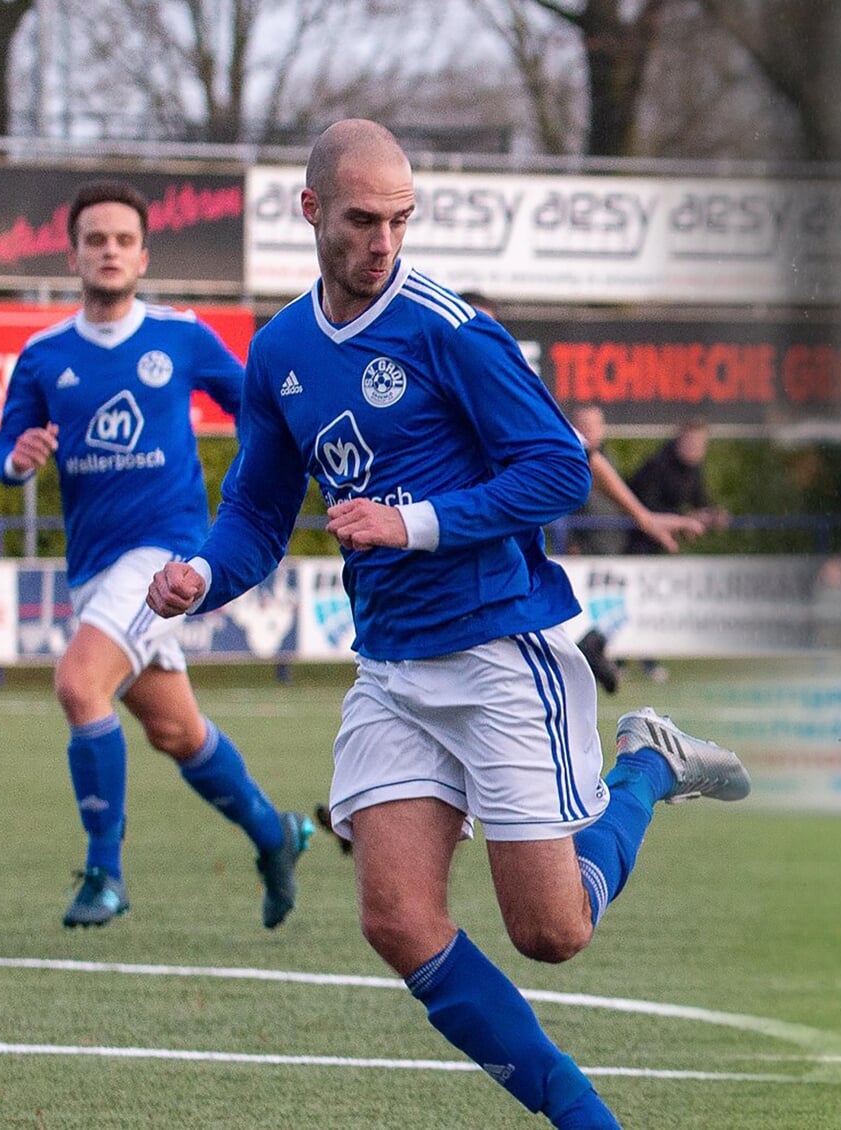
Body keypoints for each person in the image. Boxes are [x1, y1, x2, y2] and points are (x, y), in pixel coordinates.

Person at [145, 120, 750, 1130]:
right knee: (396, 917)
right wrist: (200, 575)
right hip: (390, 665)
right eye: (361, 220)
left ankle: (646, 762)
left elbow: (557, 466)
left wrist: (412, 522)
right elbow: (256, 511)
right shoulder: (282, 351)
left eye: (399, 219)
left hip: (500, 645)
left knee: (551, 932)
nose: (383, 240)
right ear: (311, 212)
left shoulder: (449, 328)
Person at [0, 179, 313, 930]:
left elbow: (257, 410)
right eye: (95, 239)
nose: (109, 251)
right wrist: (16, 460)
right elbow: (7, 446)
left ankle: (106, 874)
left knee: (78, 685)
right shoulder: (43, 356)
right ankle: (278, 834)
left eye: (122, 240)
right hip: (94, 569)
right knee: (176, 731)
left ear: (144, 253)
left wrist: (254, 492)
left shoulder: (182, 335)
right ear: (72, 255)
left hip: (163, 557)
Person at [564, 404, 705, 692]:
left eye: (594, 424)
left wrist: (643, 517)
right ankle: (587, 653)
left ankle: (602, 653)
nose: (589, 430)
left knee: (616, 606)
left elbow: (587, 459)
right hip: (577, 549)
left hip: (613, 545)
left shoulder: (601, 457)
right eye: (583, 424)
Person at [620, 418, 728, 555]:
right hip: (633, 538)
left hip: (661, 540)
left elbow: (699, 500)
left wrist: (713, 514)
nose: (695, 447)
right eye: (691, 442)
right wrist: (684, 517)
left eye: (700, 443)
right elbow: (645, 506)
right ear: (679, 440)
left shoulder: (694, 469)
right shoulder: (657, 465)